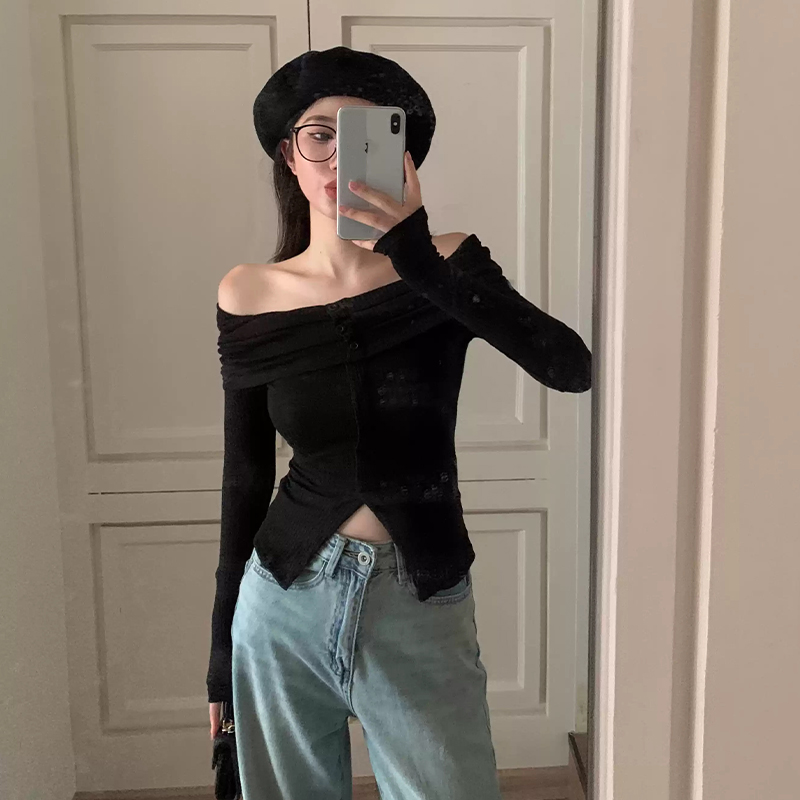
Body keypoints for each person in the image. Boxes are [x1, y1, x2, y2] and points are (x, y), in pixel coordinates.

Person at [207, 46, 592, 799]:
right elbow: (243, 476)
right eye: (318, 135)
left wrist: (413, 253)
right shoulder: (249, 293)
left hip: (419, 594)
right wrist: (221, 652)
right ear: (287, 155)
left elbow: (569, 366)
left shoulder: (447, 265)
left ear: (402, 154)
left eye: (364, 136)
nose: (336, 157)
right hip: (283, 600)